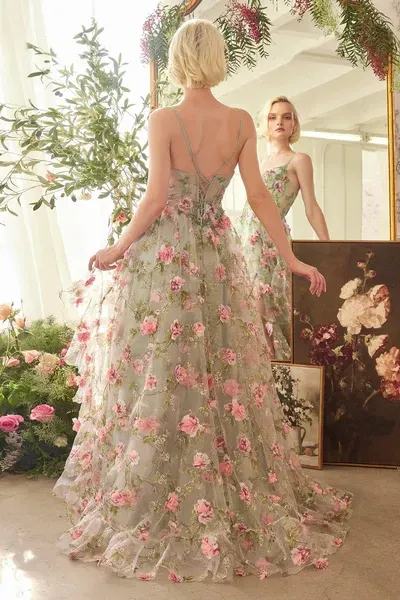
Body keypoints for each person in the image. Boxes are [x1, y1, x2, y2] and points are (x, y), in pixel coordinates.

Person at [53, 19, 351, 583]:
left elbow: (156, 198)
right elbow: (258, 197)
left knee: (161, 366)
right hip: (215, 255)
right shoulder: (239, 121)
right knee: (221, 369)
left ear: (178, 59)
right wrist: (290, 258)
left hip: (167, 258)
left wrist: (118, 247)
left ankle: (158, 485)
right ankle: (213, 475)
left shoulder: (164, 119)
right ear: (216, 58)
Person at [239, 96, 330, 361]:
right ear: (265, 124)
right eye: (273, 117)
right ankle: (262, 373)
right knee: (249, 309)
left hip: (270, 241)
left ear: (294, 125)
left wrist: (329, 247)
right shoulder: (260, 162)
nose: (279, 121)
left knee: (265, 307)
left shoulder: (299, 160)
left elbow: (311, 206)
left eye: (286, 117)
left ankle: (278, 370)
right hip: (246, 239)